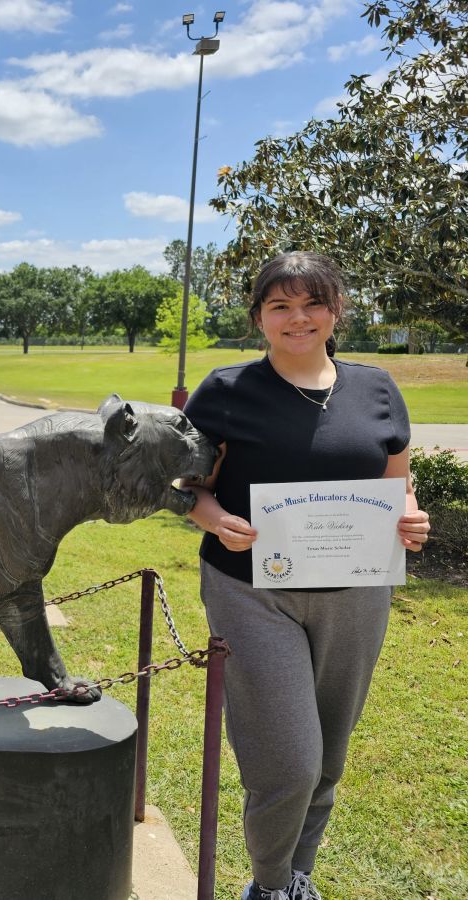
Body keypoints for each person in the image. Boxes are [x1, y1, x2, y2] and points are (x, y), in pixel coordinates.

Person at [182, 251, 430, 900]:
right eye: (280, 305)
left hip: (357, 591)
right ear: (258, 317)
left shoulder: (376, 388)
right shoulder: (225, 391)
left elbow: (396, 482)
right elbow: (187, 489)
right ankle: (266, 887)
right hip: (251, 591)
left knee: (328, 759)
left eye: (313, 303)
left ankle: (297, 878)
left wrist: (408, 516)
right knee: (288, 762)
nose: (299, 318)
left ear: (337, 310)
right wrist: (214, 520)